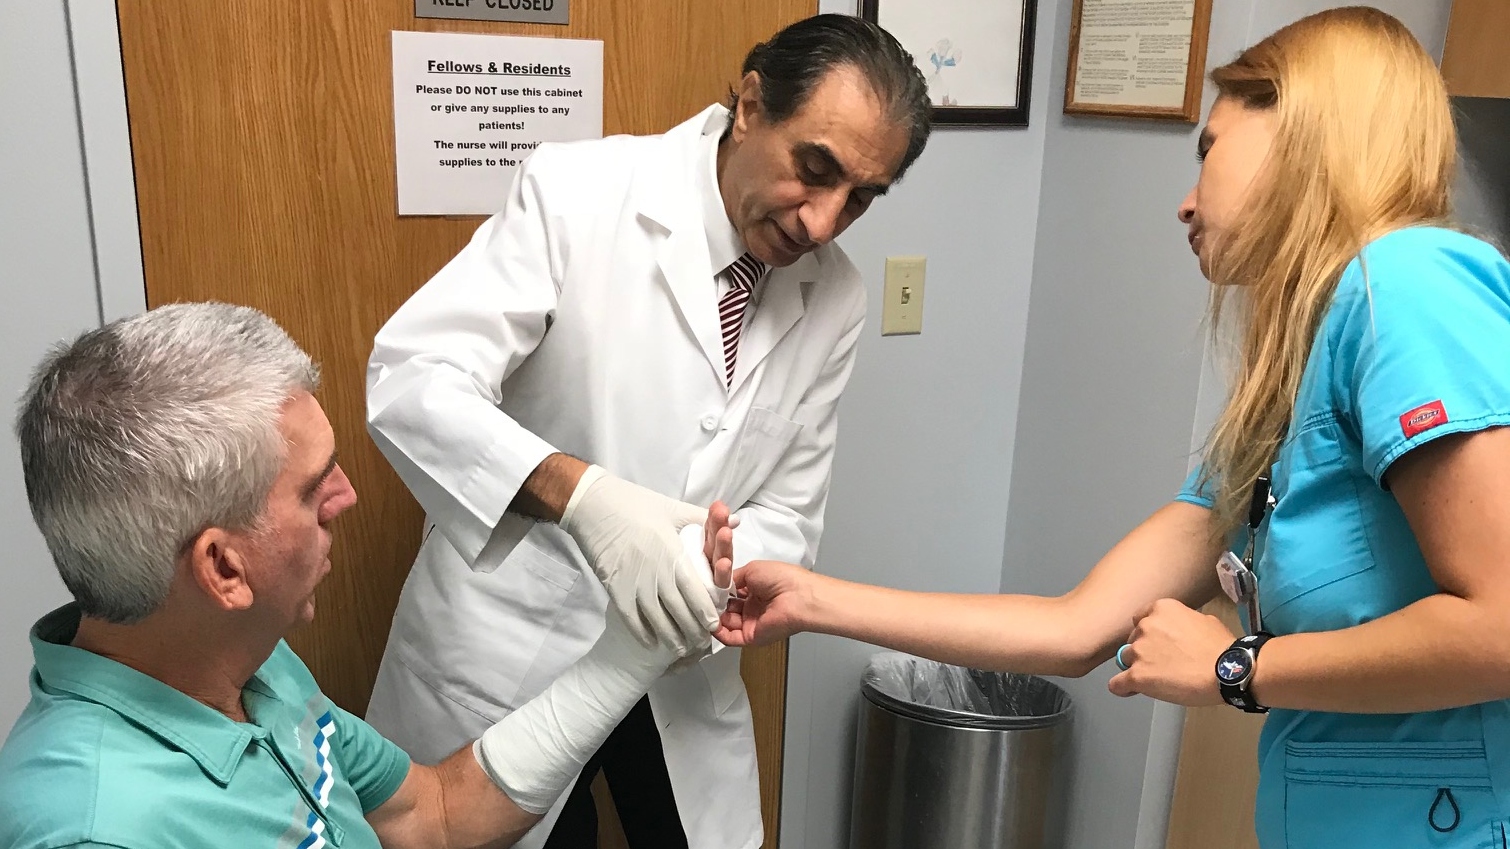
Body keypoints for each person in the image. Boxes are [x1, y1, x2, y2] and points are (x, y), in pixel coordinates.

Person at [714, 8, 1510, 848]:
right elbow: (1076, 627)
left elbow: (1501, 623)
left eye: (1209, 148)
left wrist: (1236, 667)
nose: (1187, 201)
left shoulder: (1409, 282)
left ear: (1302, 130)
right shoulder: (1287, 392)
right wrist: (811, 598)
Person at [363, 13, 931, 848]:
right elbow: (413, 380)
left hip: (676, 672)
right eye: (815, 170)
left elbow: (790, 511)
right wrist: (584, 498)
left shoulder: (834, 295)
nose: (822, 221)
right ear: (749, 104)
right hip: (506, 663)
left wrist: (711, 578)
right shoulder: (580, 193)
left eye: (860, 198)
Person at [0, 302, 735, 849]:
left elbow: (433, 812)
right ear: (223, 567)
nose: (347, 495)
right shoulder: (93, 827)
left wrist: (629, 653)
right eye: (313, 486)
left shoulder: (243, 665)